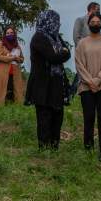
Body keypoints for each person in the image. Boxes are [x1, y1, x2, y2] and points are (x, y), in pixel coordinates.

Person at [75, 12, 101, 159]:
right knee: (89, 118)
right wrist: (90, 81)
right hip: (86, 87)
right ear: (88, 24)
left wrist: (98, 80)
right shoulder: (82, 43)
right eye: (92, 21)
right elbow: (79, 65)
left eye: (98, 21)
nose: (95, 23)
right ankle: (88, 150)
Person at [26, 10, 70, 150]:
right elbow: (53, 57)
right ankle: (44, 148)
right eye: (55, 21)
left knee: (58, 114)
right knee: (44, 116)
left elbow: (67, 52)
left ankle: (54, 146)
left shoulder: (56, 38)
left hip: (56, 83)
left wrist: (63, 53)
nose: (58, 24)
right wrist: (62, 52)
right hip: (42, 84)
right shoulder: (39, 37)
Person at [0, 25, 26, 105]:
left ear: (14, 34)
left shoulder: (17, 46)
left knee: (15, 91)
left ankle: (17, 108)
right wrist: (11, 58)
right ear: (5, 34)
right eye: (7, 33)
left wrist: (17, 58)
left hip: (15, 73)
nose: (10, 34)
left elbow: (22, 59)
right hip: (2, 72)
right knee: (1, 92)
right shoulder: (0, 44)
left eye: (11, 33)